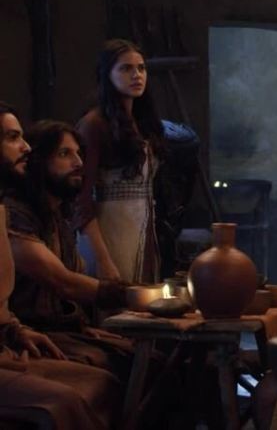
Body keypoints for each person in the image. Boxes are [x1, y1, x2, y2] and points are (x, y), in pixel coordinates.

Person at [3, 120, 132, 378]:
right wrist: (139, 296)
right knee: (122, 368)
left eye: (78, 153)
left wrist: (81, 326)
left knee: (146, 356)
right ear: (37, 161)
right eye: (64, 154)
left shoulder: (58, 214)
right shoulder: (15, 213)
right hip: (33, 334)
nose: (78, 163)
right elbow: (62, 282)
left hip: (61, 331)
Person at [0, 190, 120, 429]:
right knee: (62, 402)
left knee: (107, 381)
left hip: (7, 346)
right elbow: (62, 281)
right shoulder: (16, 214)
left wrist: (13, 329)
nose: (25, 149)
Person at [76, 39, 166, 283]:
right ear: (107, 74)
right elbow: (80, 199)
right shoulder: (94, 125)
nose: (137, 75)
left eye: (141, 68)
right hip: (107, 233)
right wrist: (102, 259)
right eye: (126, 68)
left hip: (141, 230)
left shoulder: (143, 122)